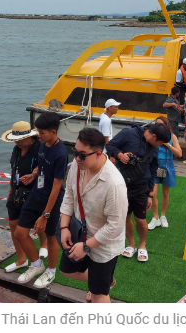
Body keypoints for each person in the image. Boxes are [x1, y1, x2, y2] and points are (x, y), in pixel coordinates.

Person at [59, 128, 128, 303]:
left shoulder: (114, 183)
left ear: (98, 153)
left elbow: (115, 226)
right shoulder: (78, 164)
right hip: (79, 233)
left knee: (99, 295)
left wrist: (87, 246)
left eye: (82, 154)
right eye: (75, 151)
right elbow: (69, 194)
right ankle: (104, 282)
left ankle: (101, 286)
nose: (76, 158)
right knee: (67, 270)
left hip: (103, 246)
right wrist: (64, 226)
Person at [14, 112, 67, 288]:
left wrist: (45, 214)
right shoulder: (43, 145)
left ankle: (51, 271)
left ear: (53, 131)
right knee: (20, 233)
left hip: (51, 200)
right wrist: (33, 175)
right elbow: (41, 166)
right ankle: (36, 264)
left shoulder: (60, 153)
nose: (38, 135)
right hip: (36, 193)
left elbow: (57, 187)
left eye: (42, 132)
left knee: (51, 236)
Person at [106, 123, 171, 262]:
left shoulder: (153, 148)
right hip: (122, 185)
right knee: (125, 217)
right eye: (160, 142)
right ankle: (131, 244)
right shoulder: (128, 133)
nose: (159, 146)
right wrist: (119, 155)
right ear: (154, 136)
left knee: (140, 220)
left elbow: (153, 171)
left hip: (142, 187)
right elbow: (109, 145)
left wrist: (150, 195)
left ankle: (142, 244)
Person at [2, 121, 48, 273]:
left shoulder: (40, 148)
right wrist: (10, 191)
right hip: (16, 192)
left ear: (30, 137)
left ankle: (43, 242)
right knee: (13, 225)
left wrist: (34, 174)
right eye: (15, 140)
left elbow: (46, 167)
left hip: (34, 192)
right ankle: (21, 259)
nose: (17, 142)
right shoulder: (16, 149)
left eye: (21, 139)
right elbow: (14, 170)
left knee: (36, 224)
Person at [147, 116, 182, 230]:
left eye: (161, 125)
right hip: (154, 165)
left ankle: (163, 216)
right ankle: (155, 218)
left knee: (166, 193)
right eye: (157, 125)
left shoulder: (172, 137)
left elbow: (179, 154)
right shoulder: (153, 137)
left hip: (167, 165)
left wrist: (168, 145)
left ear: (167, 126)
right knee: (153, 193)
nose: (159, 127)